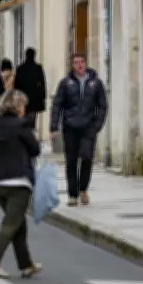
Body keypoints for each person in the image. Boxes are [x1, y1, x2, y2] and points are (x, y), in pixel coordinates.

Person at [0, 89, 42, 279]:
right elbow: (35, 149)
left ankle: (26, 265)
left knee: (18, 223)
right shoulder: (22, 125)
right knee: (11, 223)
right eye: (23, 105)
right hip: (18, 182)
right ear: (18, 106)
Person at [50, 53, 107, 207]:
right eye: (76, 62)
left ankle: (83, 189)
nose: (80, 65)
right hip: (70, 126)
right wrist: (54, 126)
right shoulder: (65, 83)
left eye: (82, 61)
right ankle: (72, 194)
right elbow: (57, 104)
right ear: (72, 65)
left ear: (85, 63)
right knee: (71, 160)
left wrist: (98, 124)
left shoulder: (96, 83)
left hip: (89, 126)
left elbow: (102, 105)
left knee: (87, 157)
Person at [14, 48, 46, 130]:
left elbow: (16, 85)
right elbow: (42, 83)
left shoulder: (20, 68)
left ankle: (24, 134)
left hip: (23, 97)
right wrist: (42, 96)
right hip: (34, 97)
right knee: (32, 120)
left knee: (22, 117)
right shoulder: (38, 68)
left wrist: (16, 97)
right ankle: (30, 134)